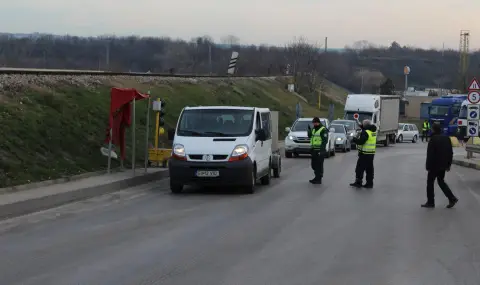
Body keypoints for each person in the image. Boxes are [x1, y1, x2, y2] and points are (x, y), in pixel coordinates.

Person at [422, 123, 458, 208]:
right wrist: (448, 165)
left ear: (433, 130)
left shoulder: (433, 139)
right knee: (441, 181)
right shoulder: (446, 138)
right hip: (443, 165)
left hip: (434, 165)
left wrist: (428, 166)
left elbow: (430, 154)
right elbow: (450, 153)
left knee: (430, 183)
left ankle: (431, 202)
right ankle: (452, 198)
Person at [350, 119, 377, 188]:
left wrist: (354, 139)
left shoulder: (365, 132)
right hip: (371, 153)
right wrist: (360, 124)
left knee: (359, 168)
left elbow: (361, 141)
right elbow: (366, 128)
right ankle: (369, 183)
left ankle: (358, 182)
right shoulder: (373, 131)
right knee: (369, 169)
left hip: (364, 153)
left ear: (365, 126)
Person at [307, 117, 328, 184]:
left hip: (320, 150)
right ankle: (316, 177)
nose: (314, 124)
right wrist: (309, 131)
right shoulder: (313, 129)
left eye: (315, 123)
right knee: (314, 165)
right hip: (314, 150)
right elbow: (310, 136)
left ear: (318, 122)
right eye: (313, 123)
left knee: (319, 165)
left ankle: (319, 178)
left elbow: (325, 141)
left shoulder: (323, 129)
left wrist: (321, 151)